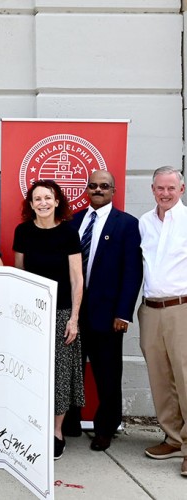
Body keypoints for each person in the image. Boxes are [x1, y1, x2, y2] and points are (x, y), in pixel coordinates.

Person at [61, 170, 142, 451]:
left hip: (107, 315)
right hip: (72, 312)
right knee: (71, 371)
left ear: (113, 190)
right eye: (93, 186)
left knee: (107, 374)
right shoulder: (73, 221)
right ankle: (69, 423)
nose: (98, 190)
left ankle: (106, 428)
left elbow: (132, 272)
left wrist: (123, 313)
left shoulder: (127, 224)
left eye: (104, 186)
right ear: (86, 189)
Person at [13, 179, 85, 460]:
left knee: (60, 374)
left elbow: (77, 278)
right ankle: (32, 426)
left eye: (48, 198)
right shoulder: (23, 232)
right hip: (32, 314)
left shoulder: (68, 233)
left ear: (57, 202)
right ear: (30, 205)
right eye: (37, 199)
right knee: (31, 372)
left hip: (62, 313)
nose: (42, 203)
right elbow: (19, 272)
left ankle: (56, 432)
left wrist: (74, 318)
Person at [138, 166, 187, 476]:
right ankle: (172, 437)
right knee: (159, 377)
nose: (166, 193)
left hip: (181, 308)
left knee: (185, 377)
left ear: (181, 190)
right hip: (150, 309)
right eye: (160, 188)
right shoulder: (144, 222)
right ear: (153, 189)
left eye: (171, 188)